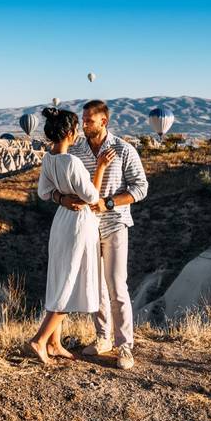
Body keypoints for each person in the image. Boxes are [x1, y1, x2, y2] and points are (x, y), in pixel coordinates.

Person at [58, 100, 148, 370]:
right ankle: (103, 337)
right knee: (95, 286)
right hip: (86, 226)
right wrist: (63, 198)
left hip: (115, 224)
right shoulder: (77, 149)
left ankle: (125, 346)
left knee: (117, 286)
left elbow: (141, 188)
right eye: (83, 120)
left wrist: (109, 202)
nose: (83, 124)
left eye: (88, 120)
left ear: (103, 122)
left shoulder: (123, 149)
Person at [30, 107, 115, 365]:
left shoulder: (48, 159)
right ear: (70, 132)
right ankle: (39, 340)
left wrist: (62, 198)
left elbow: (44, 193)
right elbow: (92, 197)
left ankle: (55, 343)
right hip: (79, 224)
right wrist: (100, 166)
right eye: (76, 128)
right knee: (70, 282)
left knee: (58, 279)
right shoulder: (72, 162)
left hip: (60, 222)